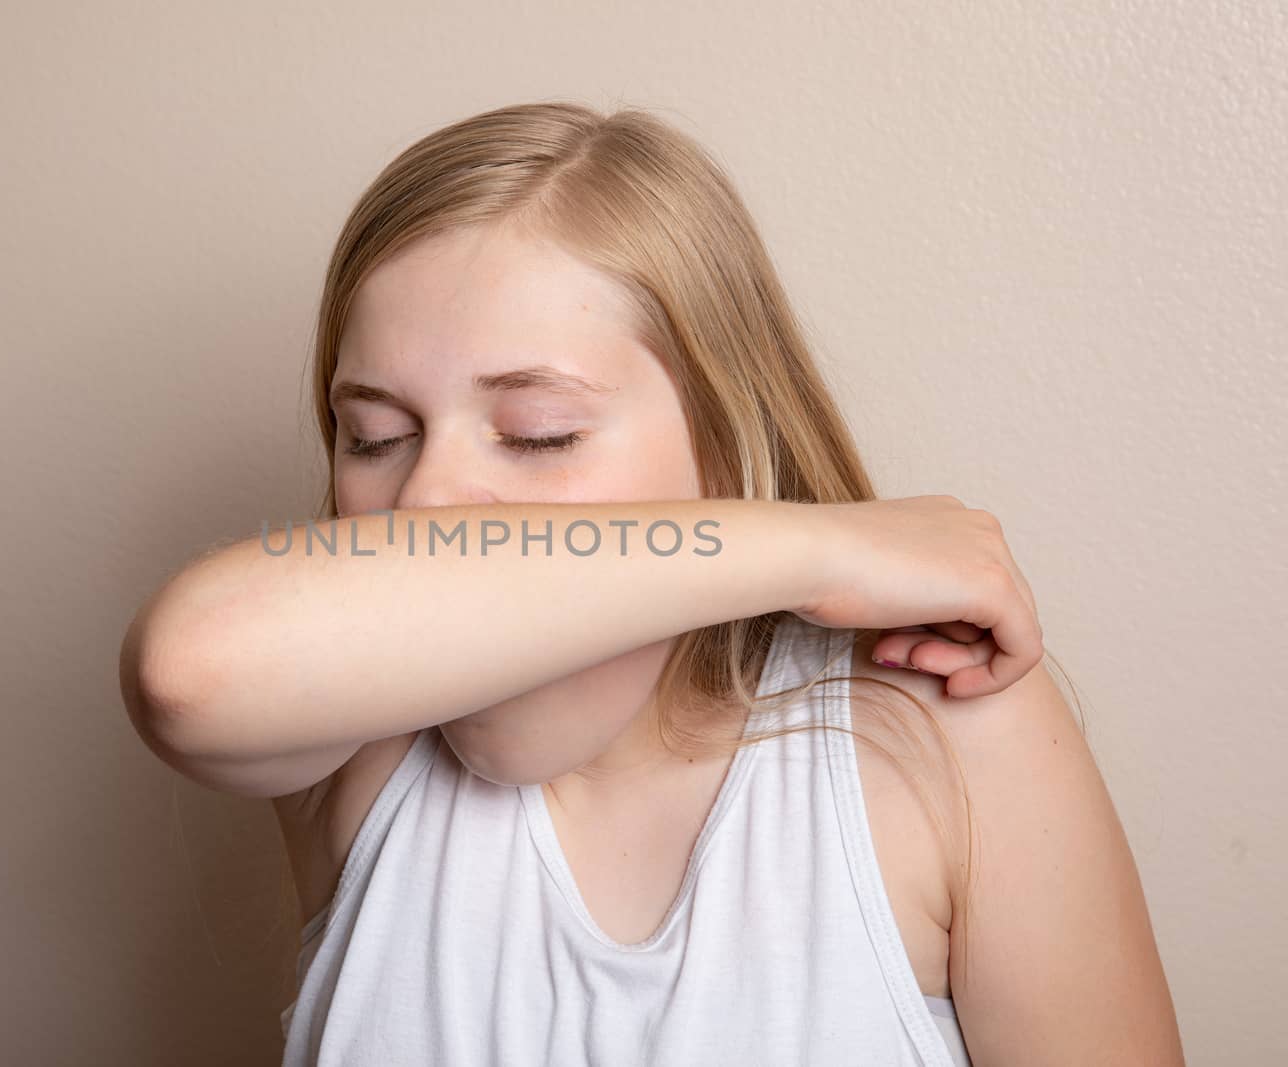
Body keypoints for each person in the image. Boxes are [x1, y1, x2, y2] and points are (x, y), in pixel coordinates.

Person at [118, 101, 1183, 1065]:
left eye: (538, 435)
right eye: (374, 435)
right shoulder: (360, 746)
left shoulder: (935, 738)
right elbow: (189, 668)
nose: (423, 502)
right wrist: (816, 544)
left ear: (723, 451)